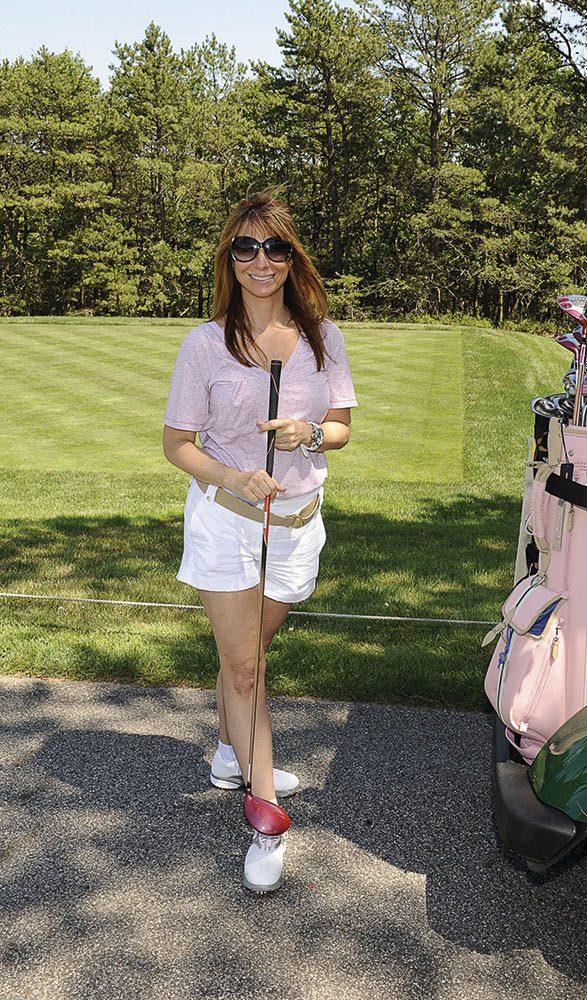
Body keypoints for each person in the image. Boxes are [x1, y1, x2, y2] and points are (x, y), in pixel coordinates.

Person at [162, 185, 358, 893]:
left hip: (300, 525)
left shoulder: (320, 336)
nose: (260, 260)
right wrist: (232, 476)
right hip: (227, 523)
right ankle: (263, 813)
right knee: (245, 669)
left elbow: (340, 426)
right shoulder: (205, 344)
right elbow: (176, 443)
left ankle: (228, 750)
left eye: (273, 246)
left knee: (249, 654)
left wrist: (312, 432)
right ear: (229, 258)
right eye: (245, 247)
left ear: (290, 256)